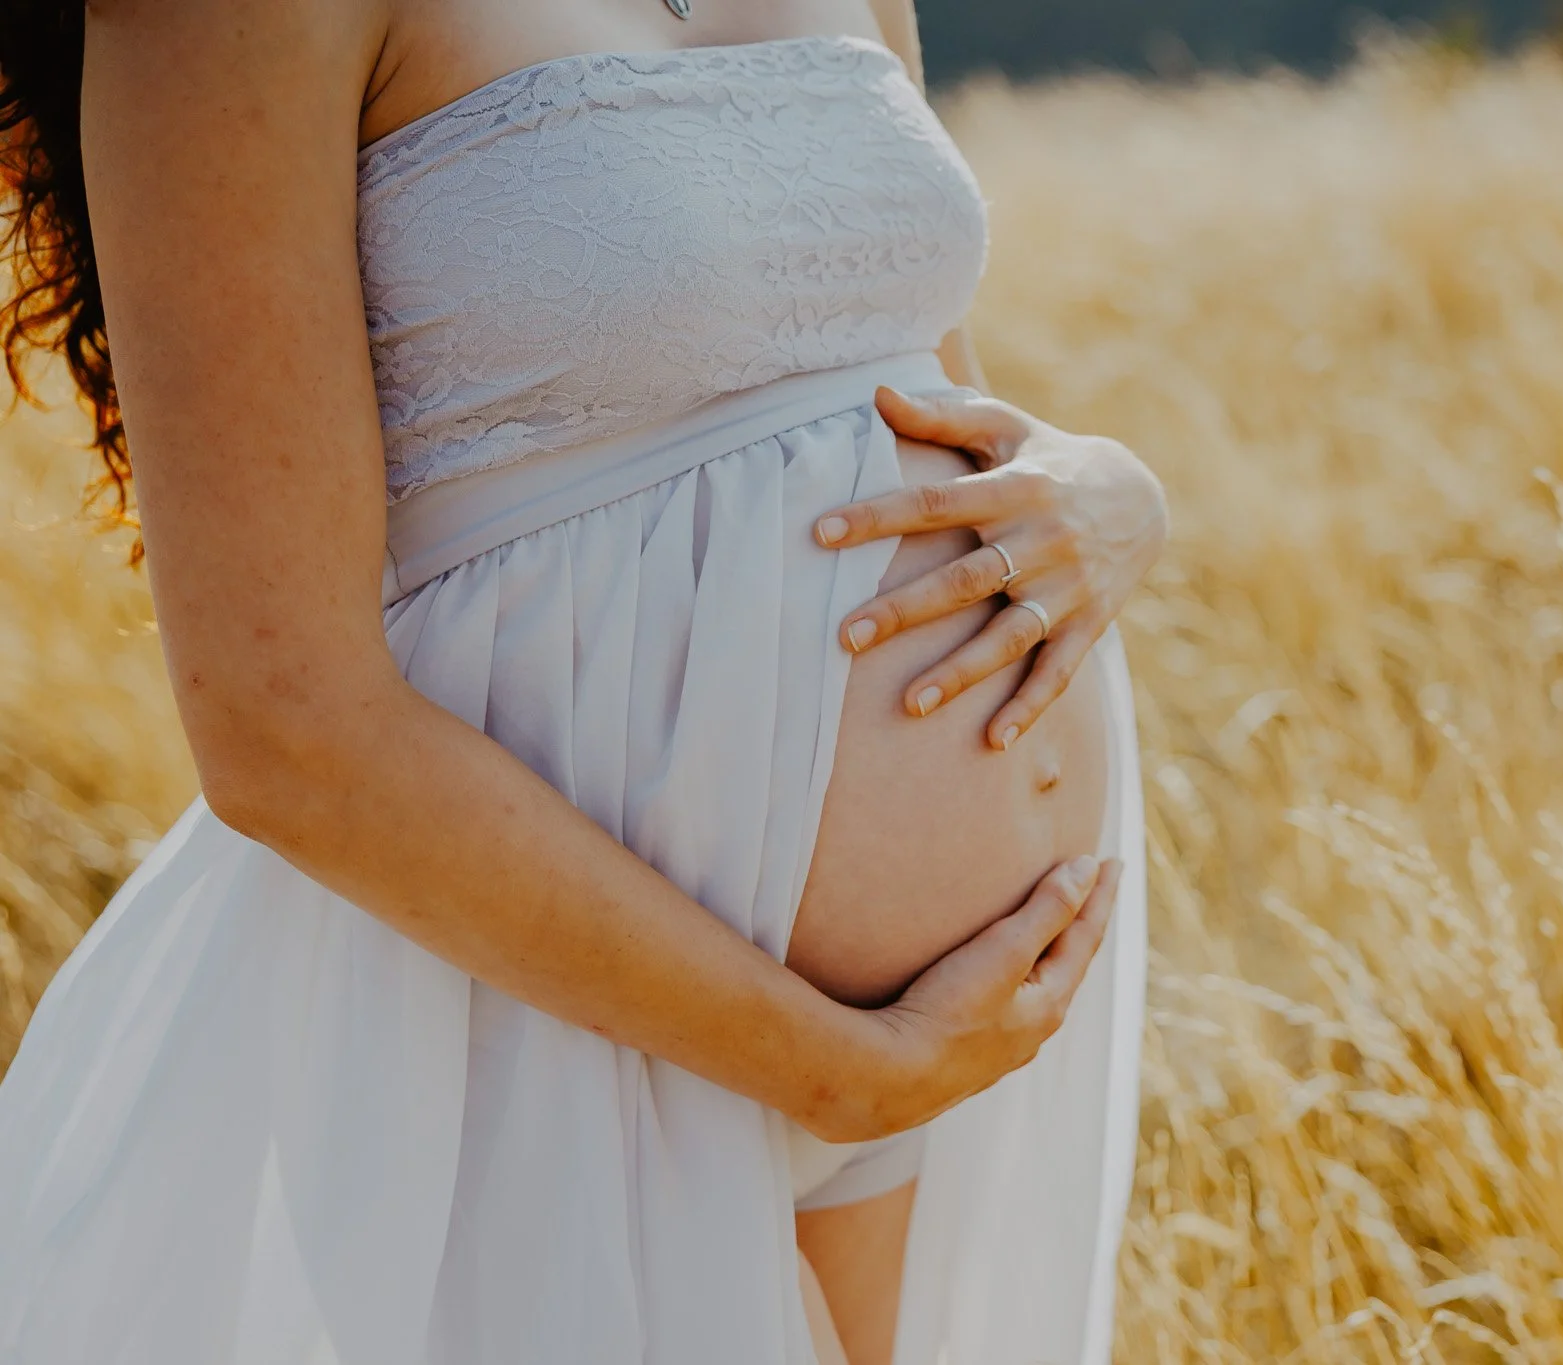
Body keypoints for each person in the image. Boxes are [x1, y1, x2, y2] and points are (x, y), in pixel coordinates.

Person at [0, 0, 1168, 1360]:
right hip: (547, 1023)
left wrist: (1113, 489)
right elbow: (283, 726)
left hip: (943, 1042)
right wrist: (828, 1068)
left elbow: (925, 394)